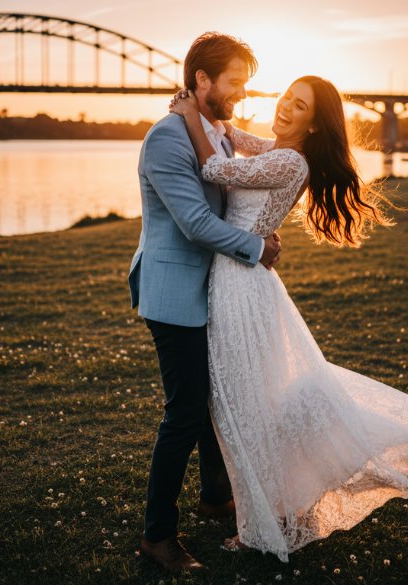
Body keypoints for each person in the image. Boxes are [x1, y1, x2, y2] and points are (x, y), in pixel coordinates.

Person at [168, 75, 408, 562]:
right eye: (287, 96)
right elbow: (235, 139)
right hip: (236, 281)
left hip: (242, 287)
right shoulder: (278, 149)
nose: (286, 106)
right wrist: (205, 107)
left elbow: (216, 168)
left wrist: (186, 117)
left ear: (314, 123)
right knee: (238, 405)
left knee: (245, 409)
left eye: (300, 105)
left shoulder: (290, 159)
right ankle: (271, 508)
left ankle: (258, 528)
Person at [127, 32, 282, 573]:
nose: (242, 92)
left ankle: (215, 495)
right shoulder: (167, 138)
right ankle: (157, 537)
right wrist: (257, 247)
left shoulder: (214, 130)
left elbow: (246, 165)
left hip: (208, 290)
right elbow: (193, 223)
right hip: (172, 295)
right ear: (202, 80)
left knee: (213, 402)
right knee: (185, 412)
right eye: (235, 81)